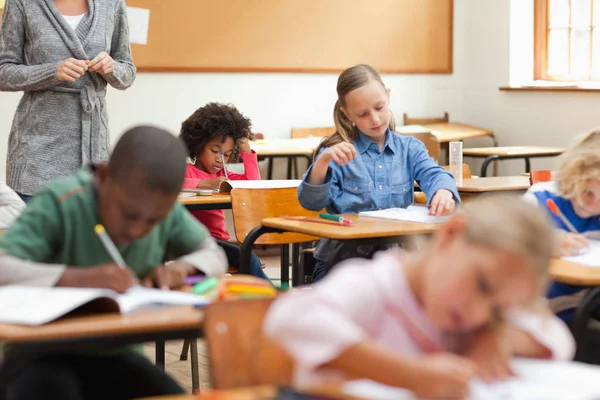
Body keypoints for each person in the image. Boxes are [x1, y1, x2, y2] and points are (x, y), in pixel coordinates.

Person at [264, 196, 574, 399]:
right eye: (481, 285)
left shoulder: (479, 320)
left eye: (497, 309)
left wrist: (501, 334)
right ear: (451, 234)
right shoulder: (374, 285)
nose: (479, 313)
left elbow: (559, 338)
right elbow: (290, 317)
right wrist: (408, 375)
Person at [1, 126, 227, 400]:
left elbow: (214, 254)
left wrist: (181, 269)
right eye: (128, 214)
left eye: (153, 222)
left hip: (114, 351)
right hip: (39, 352)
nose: (137, 230)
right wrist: (76, 279)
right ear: (105, 177)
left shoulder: (159, 209)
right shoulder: (62, 202)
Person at [298, 64, 459, 281]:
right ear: (347, 114)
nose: (374, 119)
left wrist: (443, 192)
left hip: (397, 262)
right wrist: (322, 162)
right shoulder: (336, 153)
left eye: (379, 107)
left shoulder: (409, 148)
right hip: (343, 263)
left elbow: (433, 174)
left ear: (388, 96)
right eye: (363, 114)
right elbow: (311, 202)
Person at [0, 0, 136, 201]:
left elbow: (128, 72)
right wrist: (51, 71)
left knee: (89, 231)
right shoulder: (22, 3)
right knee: (37, 230)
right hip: (36, 153)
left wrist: (112, 67)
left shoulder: (112, 4)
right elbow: (4, 71)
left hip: (93, 148)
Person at [180, 102, 269, 280]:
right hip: (194, 242)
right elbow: (173, 182)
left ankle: (253, 298)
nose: (220, 159)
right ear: (198, 146)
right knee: (248, 259)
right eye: (214, 151)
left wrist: (245, 148)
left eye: (227, 154)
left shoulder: (225, 176)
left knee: (251, 261)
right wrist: (206, 183)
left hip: (220, 242)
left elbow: (253, 184)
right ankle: (271, 298)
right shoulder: (186, 171)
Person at [524, 130, 600, 324]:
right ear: (571, 178)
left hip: (591, 305)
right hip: (543, 309)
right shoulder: (541, 198)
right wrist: (544, 243)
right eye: (587, 193)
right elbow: (504, 245)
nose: (593, 205)